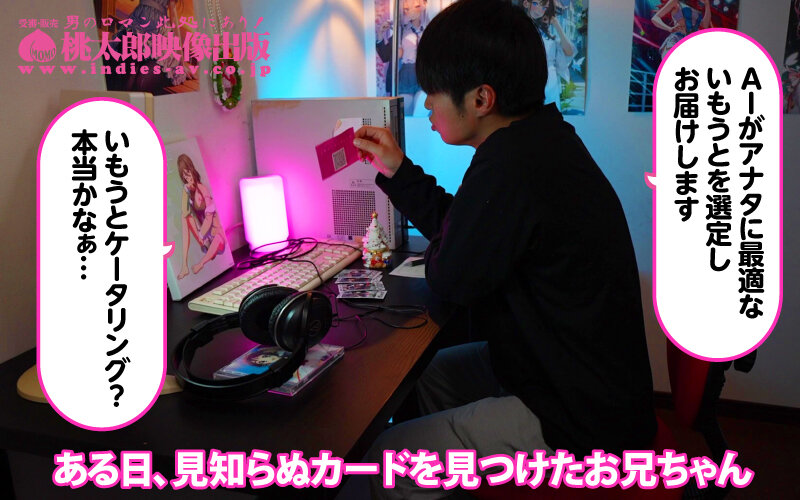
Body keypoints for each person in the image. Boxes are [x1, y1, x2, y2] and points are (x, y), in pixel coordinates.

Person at [353, 0, 656, 497]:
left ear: (481, 99)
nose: (426, 106)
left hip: (578, 417)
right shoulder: (539, 140)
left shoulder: (513, 164)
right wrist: (397, 170)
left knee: (388, 459)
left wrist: (441, 241)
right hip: (561, 373)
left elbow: (451, 276)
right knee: (427, 378)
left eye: (433, 92)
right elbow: (468, 230)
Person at [176, 154, 227, 279]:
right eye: (183, 175)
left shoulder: (203, 189)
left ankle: (201, 263)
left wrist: (201, 234)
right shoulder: (189, 191)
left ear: (192, 169)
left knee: (218, 237)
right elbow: (185, 211)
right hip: (205, 240)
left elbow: (209, 218)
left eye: (187, 173)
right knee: (184, 217)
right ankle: (184, 265)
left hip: (215, 238)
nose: (187, 177)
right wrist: (186, 191)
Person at [524, 0, 575, 110]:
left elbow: (569, 51)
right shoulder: (522, 29)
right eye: (536, 4)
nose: (539, 10)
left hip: (549, 85)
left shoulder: (550, 36)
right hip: (527, 83)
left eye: (544, 8)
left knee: (548, 117)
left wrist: (556, 24)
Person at [398, 0, 429, 115]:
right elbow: (398, 54)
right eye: (406, 9)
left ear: (424, 6)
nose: (411, 10)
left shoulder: (429, 29)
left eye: (416, 6)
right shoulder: (402, 29)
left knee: (420, 113)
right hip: (407, 71)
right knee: (405, 114)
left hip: (423, 71)